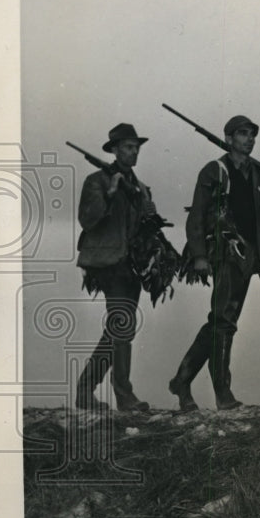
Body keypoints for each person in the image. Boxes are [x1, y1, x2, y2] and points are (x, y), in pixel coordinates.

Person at [169, 115, 260, 411]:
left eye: (252, 134)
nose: (249, 139)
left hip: (248, 256)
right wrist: (200, 256)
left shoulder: (257, 174)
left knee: (220, 321)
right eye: (242, 134)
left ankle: (181, 380)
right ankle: (222, 393)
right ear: (229, 139)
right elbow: (197, 216)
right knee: (224, 322)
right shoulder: (215, 170)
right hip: (225, 253)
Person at [74, 124, 158, 412]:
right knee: (123, 326)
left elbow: (144, 227)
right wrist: (110, 193)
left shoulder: (140, 187)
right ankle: (124, 395)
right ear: (114, 150)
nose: (133, 152)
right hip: (108, 264)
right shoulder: (96, 180)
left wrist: (151, 214)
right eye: (127, 147)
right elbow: (87, 219)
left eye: (136, 147)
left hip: (132, 265)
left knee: (118, 327)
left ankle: (85, 390)